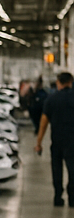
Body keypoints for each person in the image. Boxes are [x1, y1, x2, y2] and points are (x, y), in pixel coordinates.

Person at [34, 71, 74, 206]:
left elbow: (43, 122)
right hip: (72, 142)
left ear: (58, 82)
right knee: (72, 169)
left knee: (57, 169)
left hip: (57, 141)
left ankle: (58, 197)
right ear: (70, 82)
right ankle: (72, 197)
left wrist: (39, 142)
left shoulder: (51, 99)